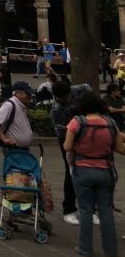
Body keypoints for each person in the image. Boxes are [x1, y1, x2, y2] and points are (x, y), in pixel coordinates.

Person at [64, 93, 124, 257]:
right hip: (105, 170)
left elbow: (67, 146)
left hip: (82, 170)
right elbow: (121, 149)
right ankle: (111, 250)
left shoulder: (76, 122)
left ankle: (85, 248)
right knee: (105, 211)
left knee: (85, 211)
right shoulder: (111, 123)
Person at [50, 79, 79, 226]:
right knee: (71, 172)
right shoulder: (56, 108)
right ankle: (69, 210)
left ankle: (91, 210)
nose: (68, 99)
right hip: (68, 141)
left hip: (83, 136)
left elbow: (87, 88)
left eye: (68, 96)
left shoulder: (76, 90)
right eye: (64, 98)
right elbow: (61, 133)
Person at [0, 81, 35, 151]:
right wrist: (4, 138)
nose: (30, 96)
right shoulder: (10, 105)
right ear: (17, 92)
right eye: (27, 93)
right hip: (13, 149)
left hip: (20, 149)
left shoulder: (20, 104)